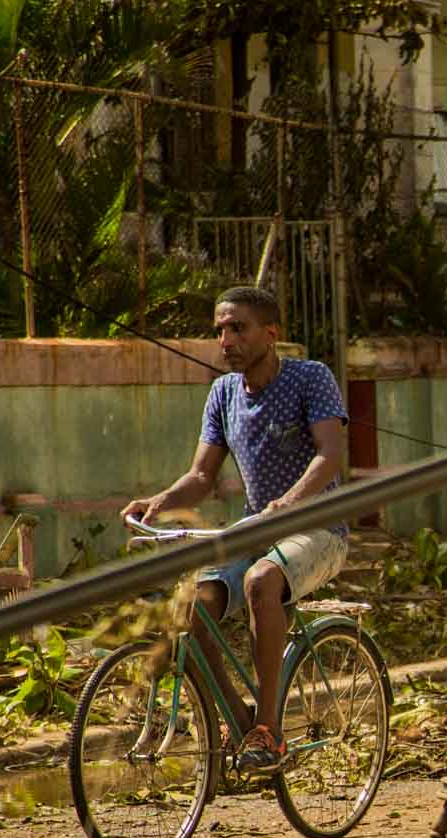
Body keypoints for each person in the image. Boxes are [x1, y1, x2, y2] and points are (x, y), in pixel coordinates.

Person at [121, 286, 350, 773]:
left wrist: (287, 503)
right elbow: (202, 476)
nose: (226, 340)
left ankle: (269, 728)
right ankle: (238, 717)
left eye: (238, 328)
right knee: (193, 607)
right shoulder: (223, 393)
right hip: (258, 529)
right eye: (220, 331)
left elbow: (330, 454)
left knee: (260, 582)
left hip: (320, 529)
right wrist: (158, 503)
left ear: (271, 334)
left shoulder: (311, 378)